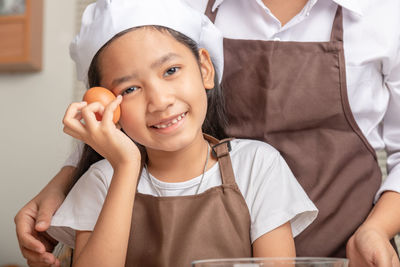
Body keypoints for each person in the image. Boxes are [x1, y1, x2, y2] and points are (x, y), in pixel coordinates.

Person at [14, 0, 400, 266]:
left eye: (170, 72)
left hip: (345, 248)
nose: (160, 100)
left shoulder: (384, 14)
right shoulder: (182, 7)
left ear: (204, 69)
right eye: (131, 88)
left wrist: (377, 230)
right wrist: (68, 178)